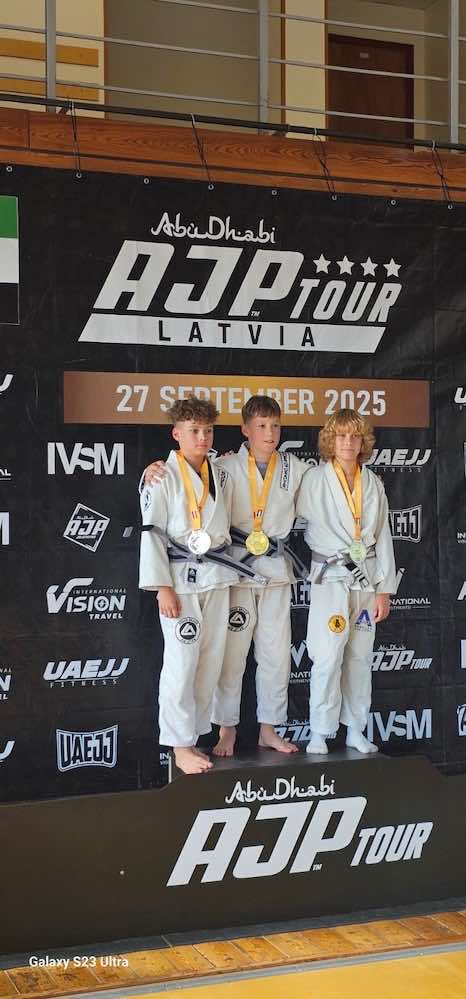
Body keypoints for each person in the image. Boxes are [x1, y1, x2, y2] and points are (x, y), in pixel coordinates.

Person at [143, 395, 310, 757]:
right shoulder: (216, 468)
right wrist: (161, 586)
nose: (269, 433)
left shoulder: (247, 470)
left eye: (275, 425)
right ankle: (216, 732)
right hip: (225, 570)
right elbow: (156, 526)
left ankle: (262, 729)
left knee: (254, 656)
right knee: (217, 661)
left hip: (239, 574)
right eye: (261, 426)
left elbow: (325, 486)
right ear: (245, 430)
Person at [139, 396, 238, 775]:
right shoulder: (161, 476)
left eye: (208, 431)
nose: (202, 438)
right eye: (194, 431)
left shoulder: (221, 472)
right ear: (176, 434)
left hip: (217, 577)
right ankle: (178, 745)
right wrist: (161, 586)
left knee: (209, 663)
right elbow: (151, 532)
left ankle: (193, 737)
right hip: (180, 581)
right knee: (181, 665)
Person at [296, 408, 396, 755]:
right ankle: (320, 732)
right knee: (327, 656)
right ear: (330, 440)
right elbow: (277, 494)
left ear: (363, 442)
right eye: (341, 436)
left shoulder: (374, 484)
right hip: (331, 577)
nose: (348, 443)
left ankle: (355, 729)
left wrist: (384, 590)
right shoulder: (313, 478)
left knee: (359, 657)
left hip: (365, 579)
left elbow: (383, 537)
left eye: (355, 436)